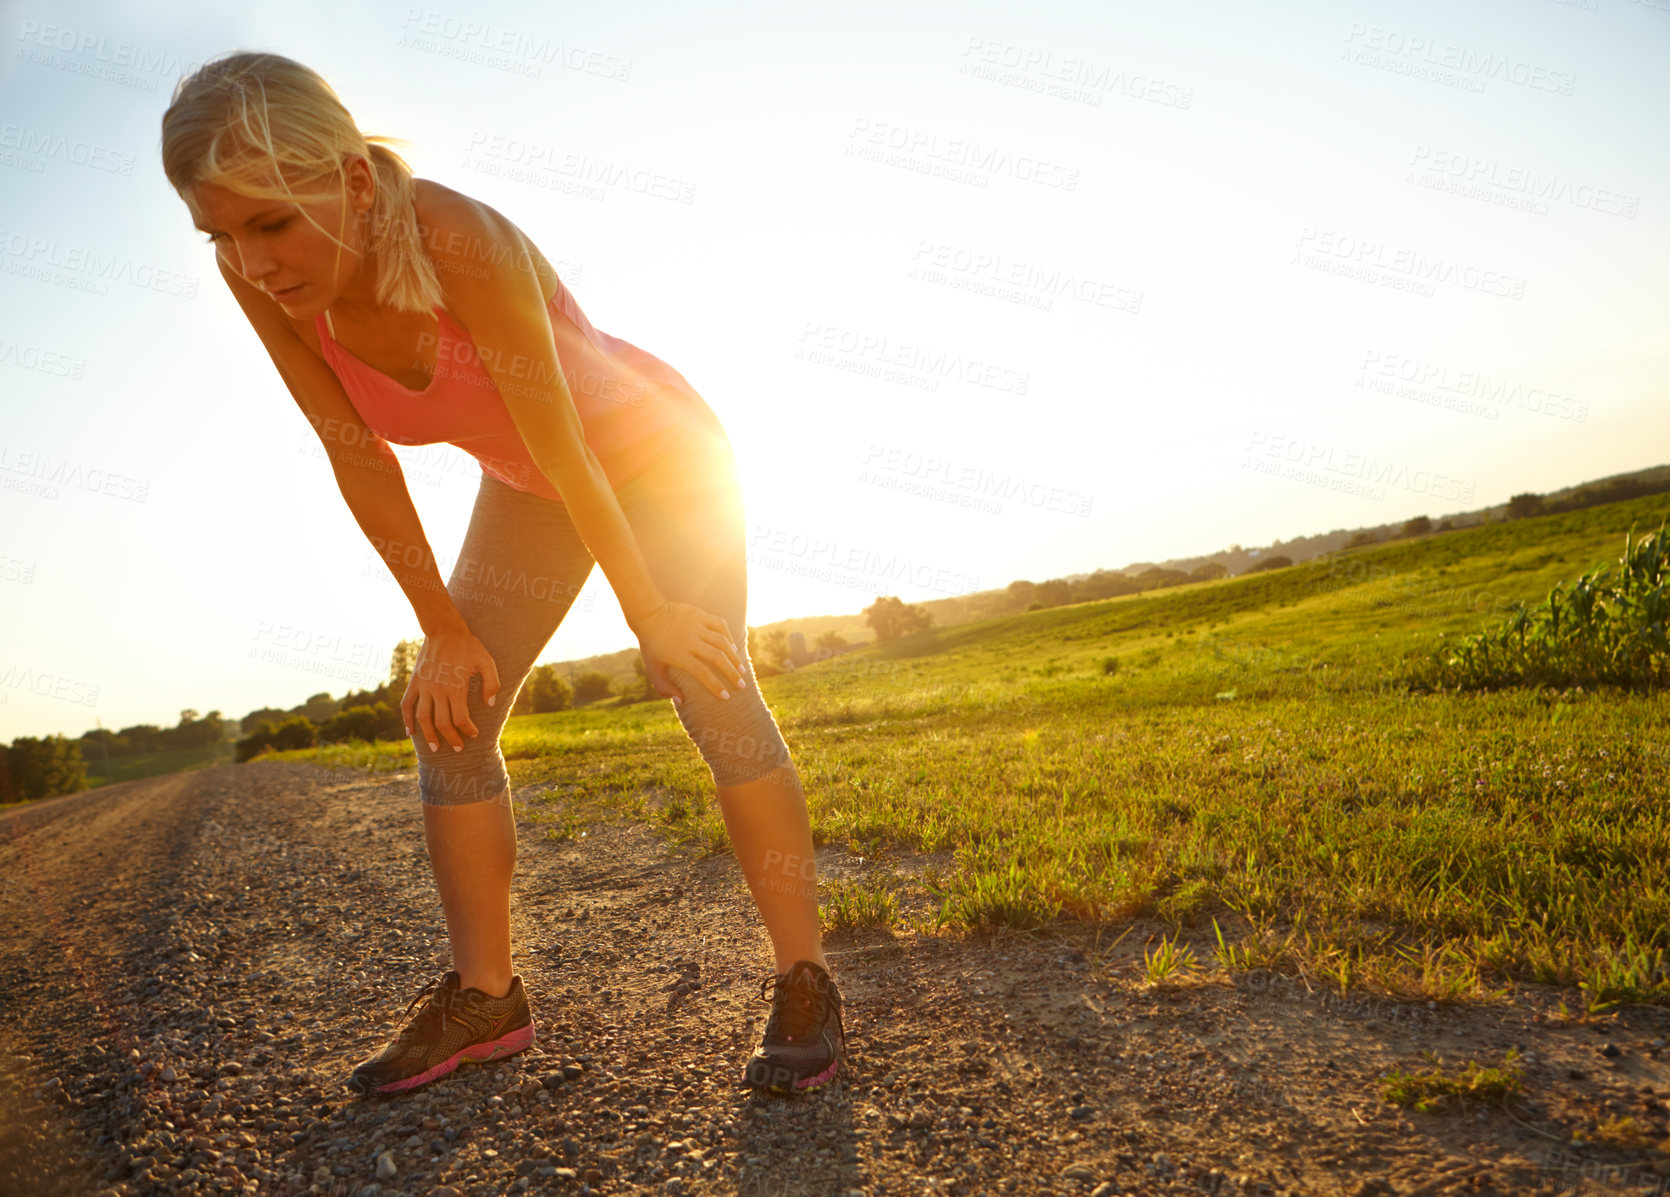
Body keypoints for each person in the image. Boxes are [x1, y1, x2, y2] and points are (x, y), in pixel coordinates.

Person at [160, 51, 845, 1098]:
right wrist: (440, 628)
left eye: (271, 225)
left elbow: (569, 440)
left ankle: (805, 980)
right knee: (453, 710)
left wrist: (652, 612)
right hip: (531, 486)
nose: (252, 262)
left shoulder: (453, 239)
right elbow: (355, 451)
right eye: (220, 233)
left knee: (705, 681)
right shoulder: (262, 283)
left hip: (653, 460)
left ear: (347, 179)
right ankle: (486, 1000)